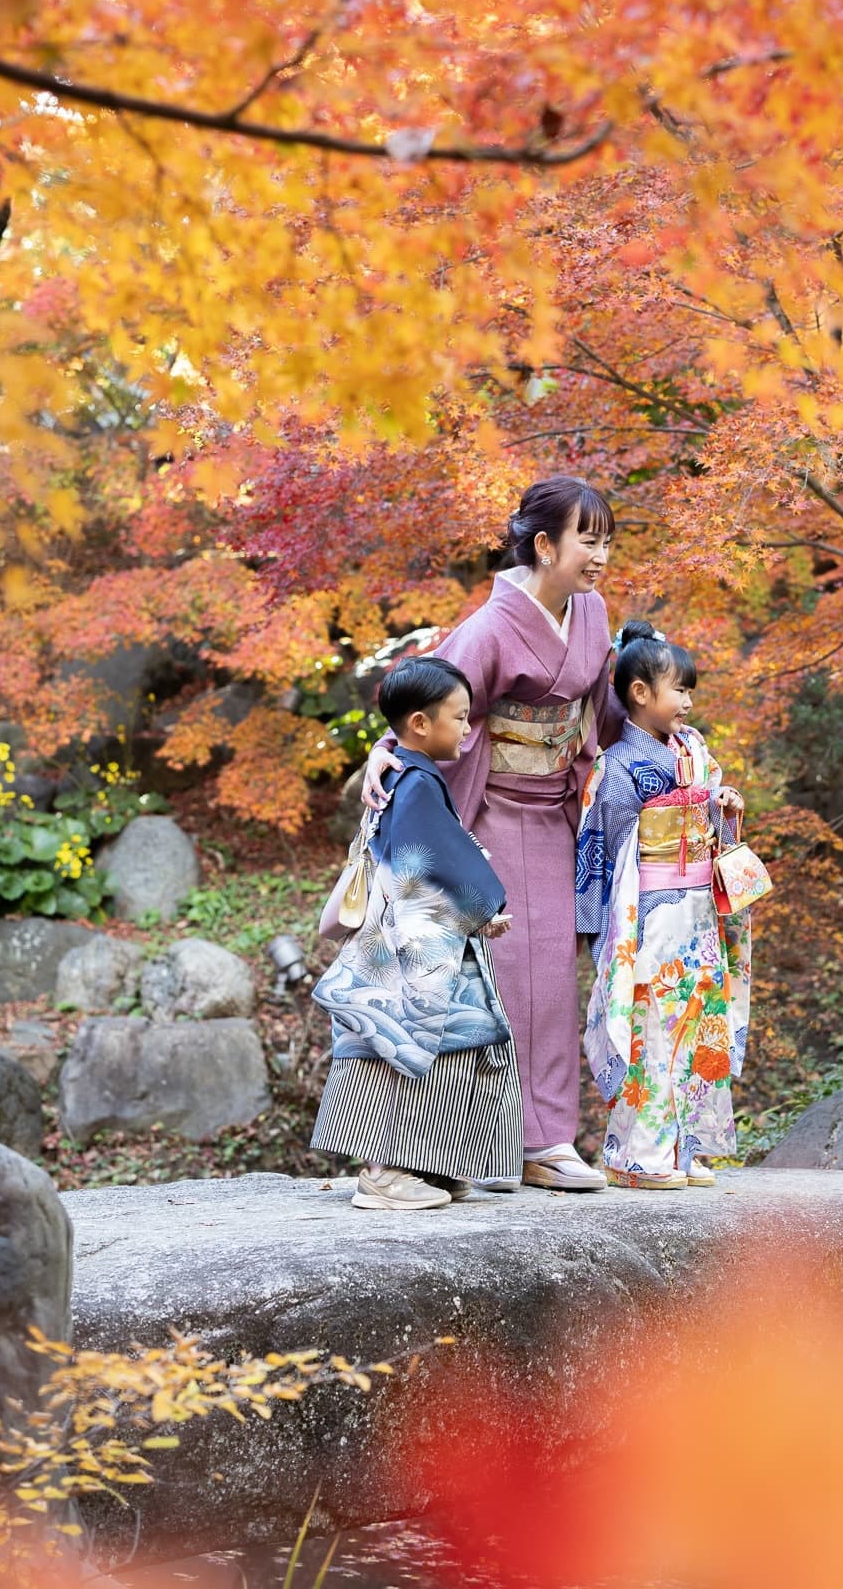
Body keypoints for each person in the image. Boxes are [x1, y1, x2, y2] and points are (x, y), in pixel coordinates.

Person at [362, 476, 624, 1192]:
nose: (600, 556)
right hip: (489, 813)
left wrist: (666, 739)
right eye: (588, 541)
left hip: (558, 811)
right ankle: (483, 1144)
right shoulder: (488, 629)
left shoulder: (594, 615)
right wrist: (385, 754)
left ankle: (547, 1140)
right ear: (544, 545)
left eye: (607, 542)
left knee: (552, 981)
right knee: (496, 979)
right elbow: (419, 705)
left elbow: (603, 713)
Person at [311, 655, 521, 1211]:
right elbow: (436, 859)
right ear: (421, 724)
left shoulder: (405, 772)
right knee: (405, 1051)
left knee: (444, 1050)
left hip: (418, 936)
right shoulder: (417, 782)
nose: (468, 729)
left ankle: (431, 1163)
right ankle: (382, 1172)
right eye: (460, 717)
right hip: (415, 945)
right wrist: (483, 904)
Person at [577, 620, 753, 1190]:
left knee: (700, 1020)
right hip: (647, 913)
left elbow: (705, 820)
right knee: (652, 1025)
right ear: (640, 693)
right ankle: (638, 1154)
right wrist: (596, 927)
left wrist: (718, 804)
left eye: (689, 690)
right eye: (679, 689)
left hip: (696, 911)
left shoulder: (695, 751)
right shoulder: (620, 765)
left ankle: (686, 1148)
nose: (688, 701)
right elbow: (605, 847)